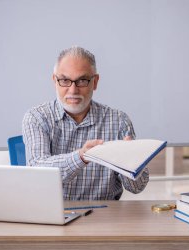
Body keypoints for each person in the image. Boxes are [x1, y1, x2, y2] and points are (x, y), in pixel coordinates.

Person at [22, 46, 149, 200]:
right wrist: (81, 157)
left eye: (82, 80)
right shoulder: (36, 117)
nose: (73, 90)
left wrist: (130, 161)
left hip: (105, 216)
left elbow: (137, 188)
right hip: (52, 215)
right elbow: (37, 174)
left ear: (94, 82)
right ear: (55, 81)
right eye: (64, 80)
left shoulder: (119, 121)